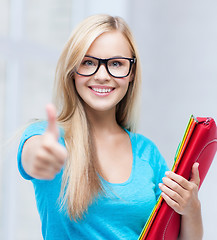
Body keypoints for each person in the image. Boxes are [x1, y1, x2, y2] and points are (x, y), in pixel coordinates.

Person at [17, 14, 203, 240]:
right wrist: (42, 157)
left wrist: (191, 208)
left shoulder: (147, 152)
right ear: (72, 70)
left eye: (116, 64)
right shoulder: (46, 137)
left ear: (131, 72)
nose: (102, 75)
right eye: (88, 62)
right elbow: (33, 155)